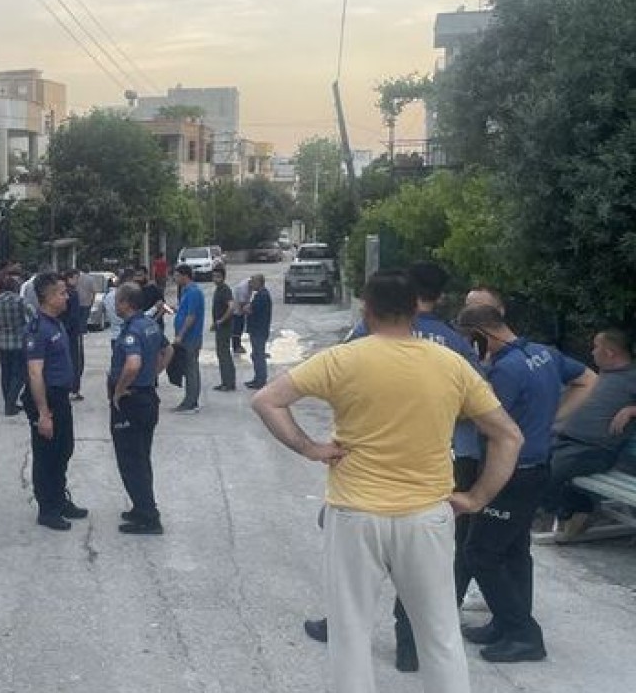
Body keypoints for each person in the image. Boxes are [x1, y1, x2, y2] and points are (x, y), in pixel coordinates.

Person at [251, 269, 523, 693]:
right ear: (416, 309)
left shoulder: (342, 359)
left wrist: (310, 448)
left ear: (367, 309)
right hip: (426, 516)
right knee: (439, 634)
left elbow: (266, 401)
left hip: (354, 514)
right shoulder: (451, 364)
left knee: (350, 633)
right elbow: (509, 436)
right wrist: (476, 498)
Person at [308, 261, 486, 670]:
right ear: (436, 298)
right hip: (444, 463)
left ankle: (342, 625)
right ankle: (410, 648)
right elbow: (483, 405)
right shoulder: (454, 344)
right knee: (428, 585)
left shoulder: (363, 338)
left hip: (364, 484)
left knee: (353, 590)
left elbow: (342, 377)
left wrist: (314, 447)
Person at [454, 304, 595, 663]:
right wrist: (552, 418)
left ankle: (523, 634)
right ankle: (505, 624)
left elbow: (484, 418)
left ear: (482, 335)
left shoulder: (506, 370)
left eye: (471, 341)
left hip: (510, 472)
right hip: (536, 467)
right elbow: (588, 379)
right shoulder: (544, 354)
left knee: (480, 553)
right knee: (514, 551)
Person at [541, 328, 636, 541]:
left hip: (595, 450)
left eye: (596, 347)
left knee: (547, 474)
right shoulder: (599, 375)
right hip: (567, 441)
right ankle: (577, 509)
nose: (592, 352)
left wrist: (632, 410)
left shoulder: (632, 377)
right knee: (530, 462)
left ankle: (581, 509)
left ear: (610, 352)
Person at [24, 272, 88, 531]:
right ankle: (48, 509)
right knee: (46, 455)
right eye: (62, 293)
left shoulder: (56, 324)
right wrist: (43, 413)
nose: (67, 297)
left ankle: (60, 499)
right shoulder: (37, 329)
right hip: (46, 398)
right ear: (48, 297)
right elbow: (35, 373)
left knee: (63, 450)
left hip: (60, 397)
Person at [108, 282, 174, 534]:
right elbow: (168, 350)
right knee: (141, 457)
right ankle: (141, 506)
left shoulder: (132, 331)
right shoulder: (149, 325)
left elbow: (133, 364)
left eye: (118, 300)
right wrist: (154, 373)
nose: (115, 304)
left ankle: (148, 517)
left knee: (131, 461)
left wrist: (119, 390)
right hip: (147, 398)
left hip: (132, 402)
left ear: (126, 303)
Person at [0, 275, 36, 416]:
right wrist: (28, 328)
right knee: (20, 374)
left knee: (6, 374)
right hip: (19, 342)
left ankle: (8, 402)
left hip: (3, 342)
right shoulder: (20, 301)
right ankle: (10, 404)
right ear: (15, 288)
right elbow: (34, 315)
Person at [171, 264, 206, 412]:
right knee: (188, 368)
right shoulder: (186, 291)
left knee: (191, 369)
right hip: (187, 338)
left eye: (177, 275)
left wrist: (181, 334)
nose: (175, 278)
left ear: (185, 276)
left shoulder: (193, 292)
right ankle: (190, 399)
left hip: (190, 338)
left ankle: (191, 402)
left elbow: (191, 316)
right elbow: (185, 311)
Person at [60, 269, 87, 401]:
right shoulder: (73, 293)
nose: (77, 281)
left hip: (61, 330)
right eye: (76, 278)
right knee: (76, 361)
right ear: (69, 278)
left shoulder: (60, 293)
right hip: (72, 333)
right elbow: (74, 315)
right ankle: (74, 389)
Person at [209, 266, 236, 392]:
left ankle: (228, 383)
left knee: (224, 354)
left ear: (223, 277)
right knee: (222, 354)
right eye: (214, 276)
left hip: (225, 327)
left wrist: (221, 320)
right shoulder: (218, 289)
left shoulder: (225, 289)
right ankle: (226, 381)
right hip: (220, 327)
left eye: (218, 276)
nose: (215, 279)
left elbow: (231, 307)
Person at [244, 274, 272, 389]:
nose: (251, 284)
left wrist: (247, 308)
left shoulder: (262, 296)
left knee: (258, 355)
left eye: (253, 282)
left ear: (259, 282)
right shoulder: (259, 294)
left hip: (258, 330)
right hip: (258, 330)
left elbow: (251, 310)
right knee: (256, 355)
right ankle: (257, 378)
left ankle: (260, 380)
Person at [230, 275, 251, 355]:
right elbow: (242, 303)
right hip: (237, 311)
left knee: (240, 328)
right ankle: (236, 346)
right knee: (237, 329)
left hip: (240, 310)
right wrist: (247, 311)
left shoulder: (249, 285)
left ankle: (238, 345)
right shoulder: (243, 288)